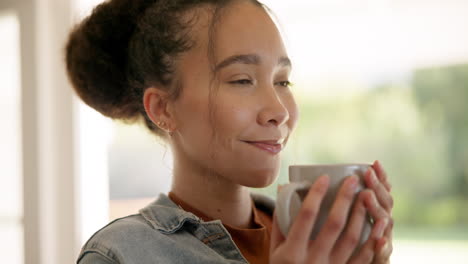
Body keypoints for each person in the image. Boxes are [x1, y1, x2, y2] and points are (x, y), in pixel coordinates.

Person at [66, 0, 394, 263]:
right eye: (241, 80)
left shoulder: (318, 241)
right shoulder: (122, 254)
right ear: (163, 108)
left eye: (282, 81)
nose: (279, 111)